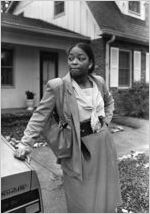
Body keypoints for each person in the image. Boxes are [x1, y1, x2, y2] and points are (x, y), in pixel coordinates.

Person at [15, 42, 122, 213]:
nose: (74, 62)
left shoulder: (99, 82)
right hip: (77, 148)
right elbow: (39, 115)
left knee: (103, 189)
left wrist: (106, 121)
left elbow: (109, 102)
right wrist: (26, 143)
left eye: (81, 58)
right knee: (81, 197)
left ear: (91, 63)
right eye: (71, 58)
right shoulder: (58, 86)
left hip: (103, 145)